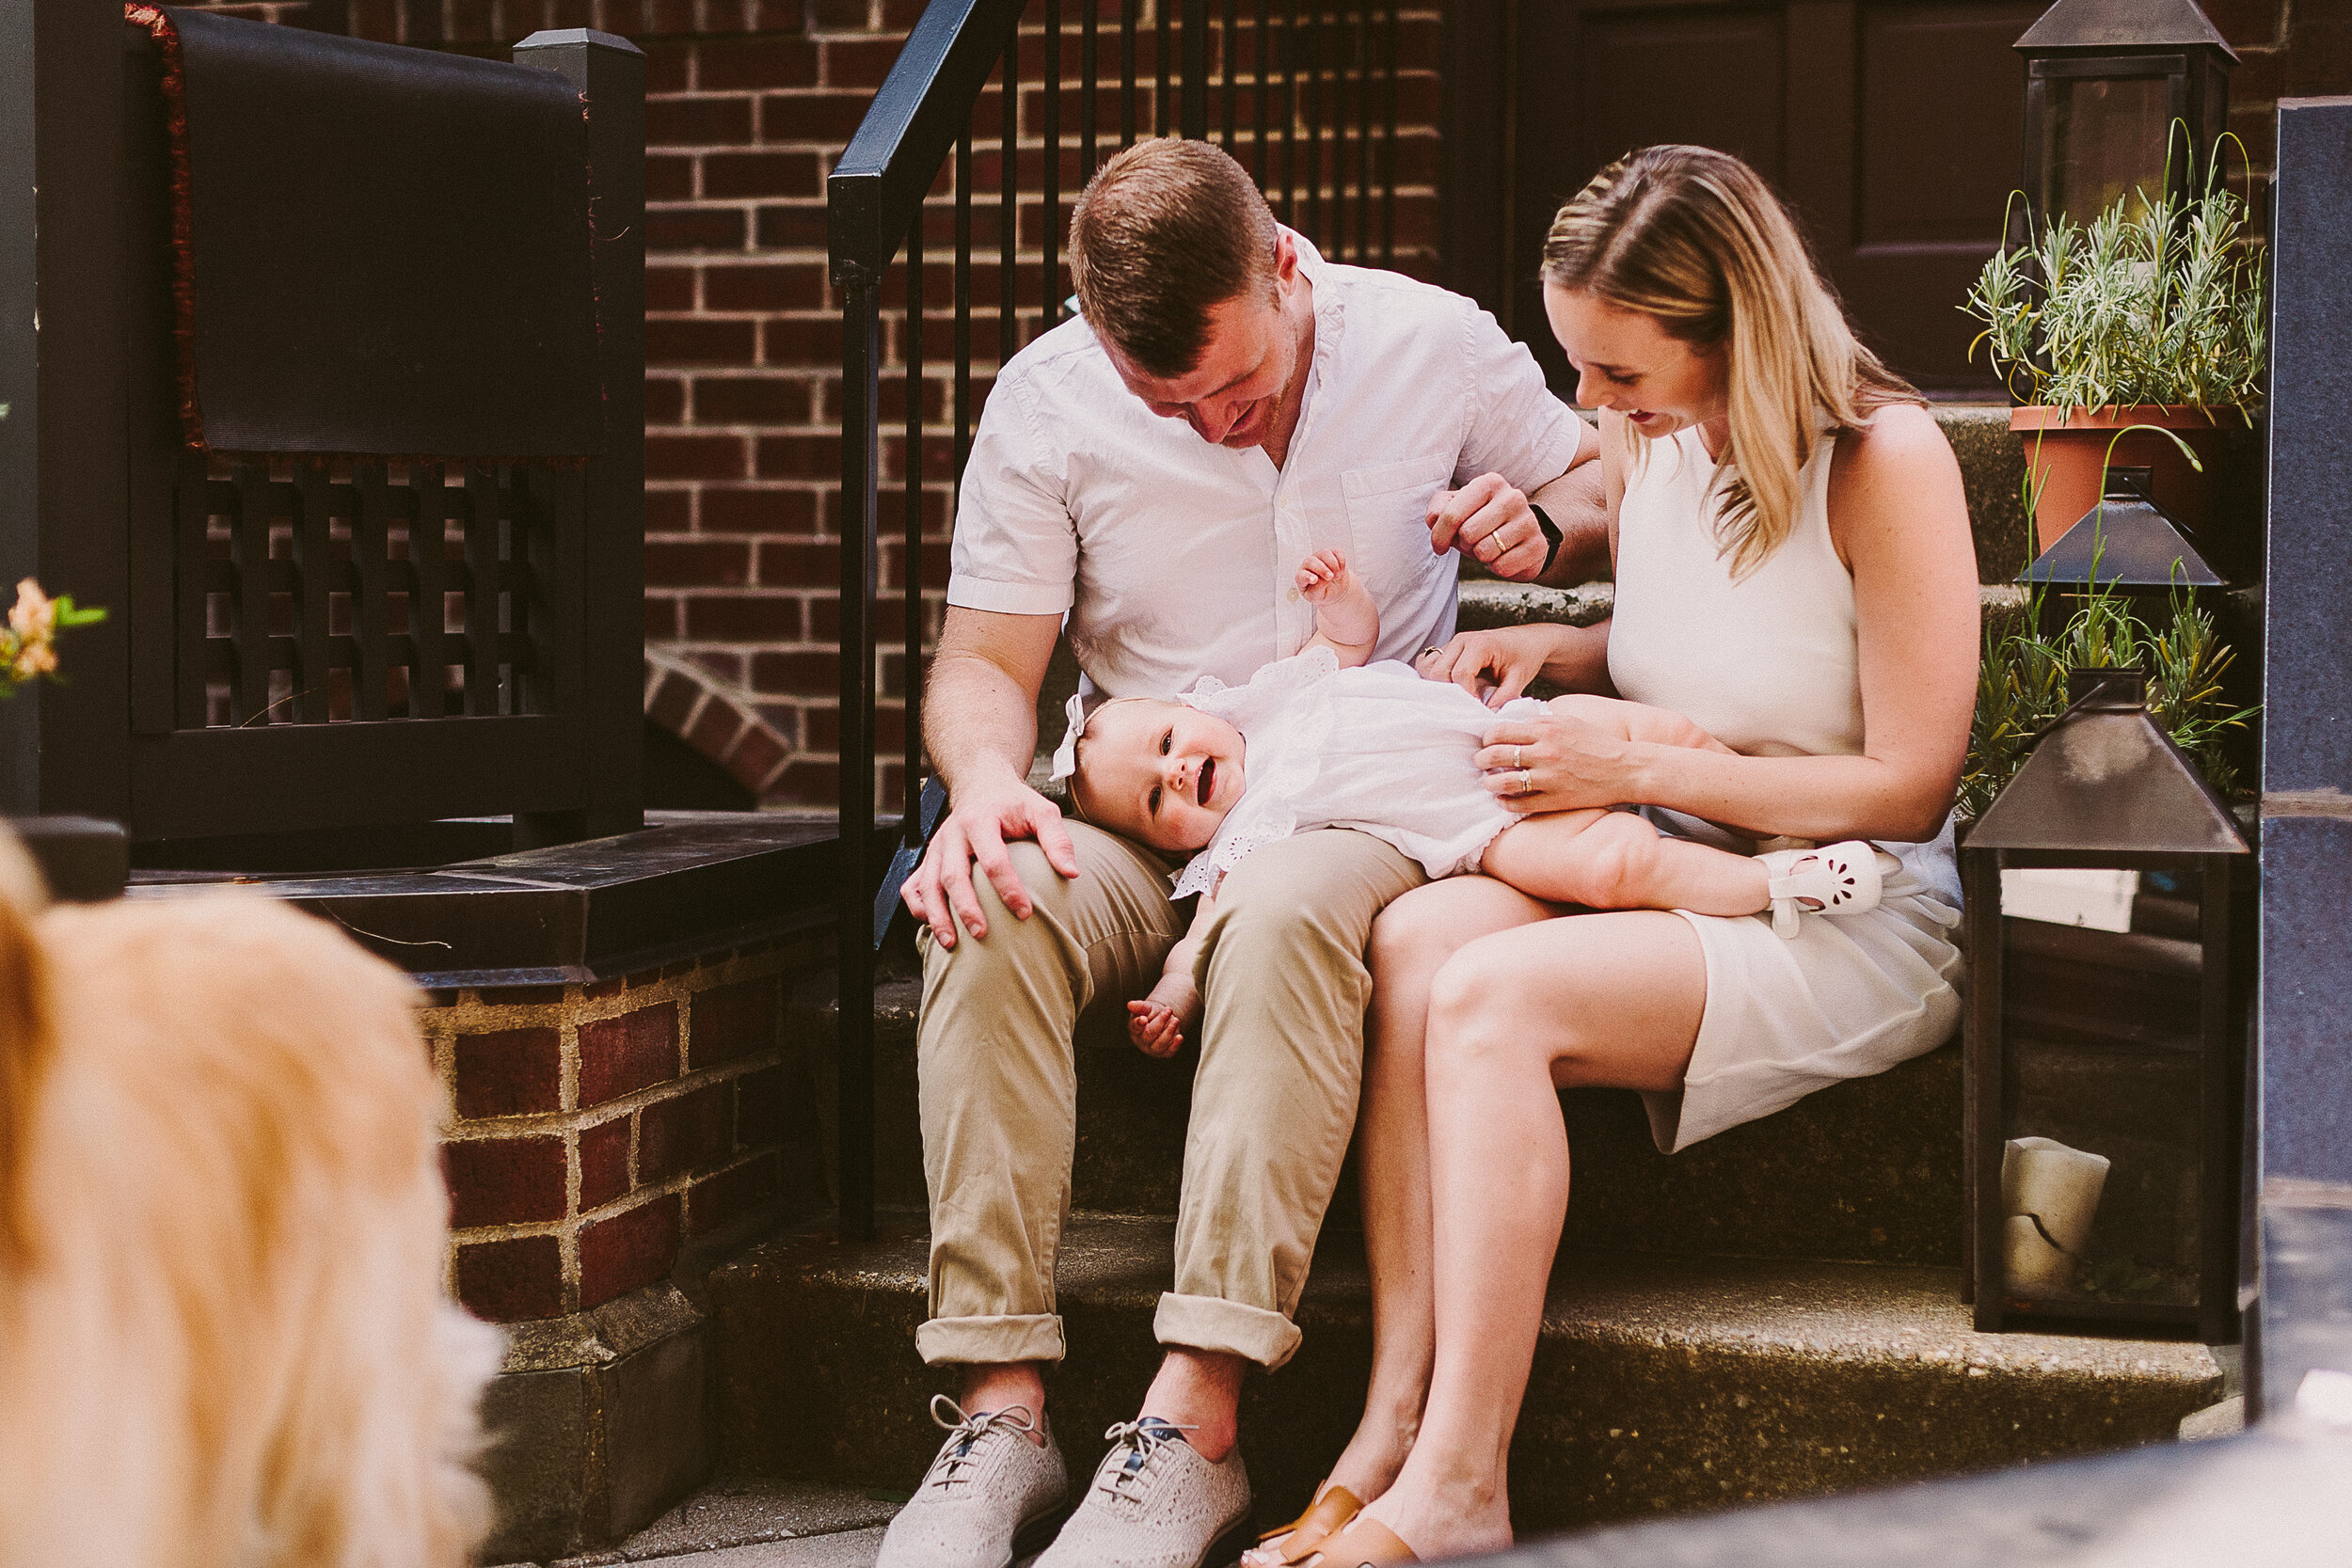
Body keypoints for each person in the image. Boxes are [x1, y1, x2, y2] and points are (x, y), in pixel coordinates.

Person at [876, 136, 1610, 1568]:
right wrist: (978, 783)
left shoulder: (1429, 343)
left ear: (1287, 266)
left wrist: (1550, 515)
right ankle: (998, 1408)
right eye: (1173, 403)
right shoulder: (1049, 400)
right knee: (993, 896)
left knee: (1281, 905)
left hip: (1355, 800)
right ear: (1101, 338)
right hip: (1150, 812)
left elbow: (1604, 474)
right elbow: (983, 661)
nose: (1215, 422)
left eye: (1238, 385)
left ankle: (1192, 1428)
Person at [1248, 145, 1979, 1567]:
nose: (1587, 408)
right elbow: (1705, 655)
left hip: (1842, 901)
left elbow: (1911, 779)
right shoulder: (1657, 443)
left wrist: (1633, 762)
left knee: (1492, 997)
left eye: (1617, 373)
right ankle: (1392, 1420)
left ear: (1735, 330)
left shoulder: (1887, 464)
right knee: (1420, 939)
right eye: (1574, 363)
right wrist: (1560, 649)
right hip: (1672, 850)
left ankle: (1464, 1479)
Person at [1065, 547, 1894, 1059]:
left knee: (1665, 734)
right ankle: (1782, 885)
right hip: (1486, 829)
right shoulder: (1245, 841)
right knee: (1616, 867)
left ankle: (1766, 816)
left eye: (1169, 741)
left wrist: (1339, 593)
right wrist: (1175, 995)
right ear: (1167, 844)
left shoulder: (1280, 694)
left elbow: (1352, 635)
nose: (1175, 773)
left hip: (1522, 733)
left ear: (1198, 707)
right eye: (1151, 800)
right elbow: (1205, 935)